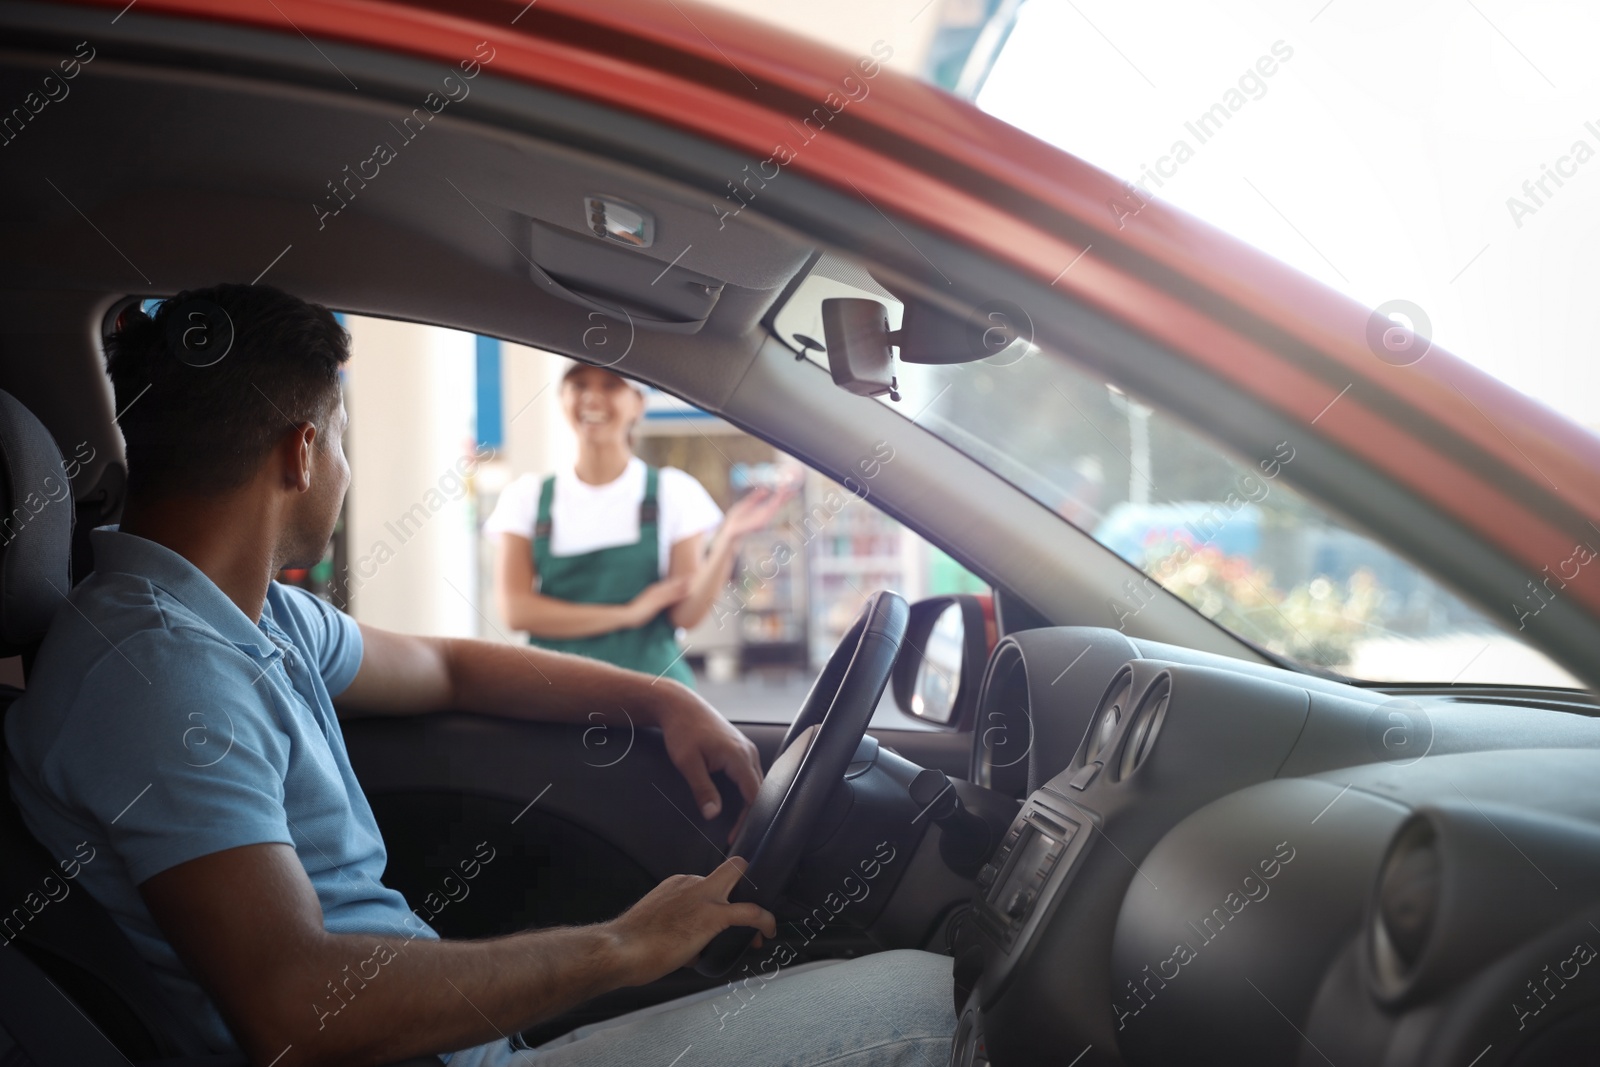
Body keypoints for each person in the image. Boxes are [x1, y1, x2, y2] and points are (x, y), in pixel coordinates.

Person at [4, 284, 955, 1067]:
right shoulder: (157, 674)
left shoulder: (241, 615)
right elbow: (297, 1010)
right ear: (301, 451)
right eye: (338, 438)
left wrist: (659, 695)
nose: (340, 462)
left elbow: (445, 668)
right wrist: (620, 947)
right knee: (929, 1003)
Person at [487, 363, 789, 687]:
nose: (591, 397)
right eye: (578, 385)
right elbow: (517, 611)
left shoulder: (673, 493)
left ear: (638, 403)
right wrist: (627, 614)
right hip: (557, 695)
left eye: (610, 385)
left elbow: (684, 615)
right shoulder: (527, 497)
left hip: (651, 695)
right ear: (562, 398)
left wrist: (728, 541)